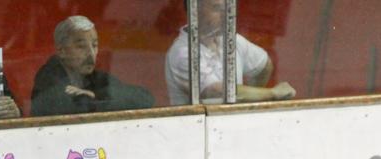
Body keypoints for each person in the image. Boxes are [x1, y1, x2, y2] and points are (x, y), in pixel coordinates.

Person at [165, 0, 295, 104]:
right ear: (195, 12)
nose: (225, 15)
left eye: (226, 8)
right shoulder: (183, 52)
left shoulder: (232, 40)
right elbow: (217, 91)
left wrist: (249, 101)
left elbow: (264, 65)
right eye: (216, 8)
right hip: (196, 131)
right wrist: (272, 93)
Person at [30, 16, 154, 117]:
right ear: (62, 51)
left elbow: (145, 98)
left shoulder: (94, 76)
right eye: (81, 46)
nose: (91, 54)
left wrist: (96, 95)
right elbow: (72, 110)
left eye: (94, 45)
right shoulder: (48, 77)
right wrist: (93, 100)